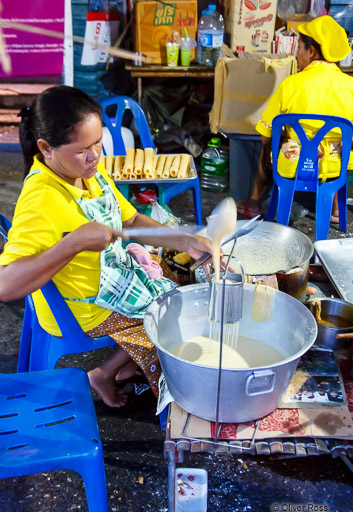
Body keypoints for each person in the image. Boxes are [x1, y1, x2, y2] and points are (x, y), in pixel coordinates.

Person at [0, 86, 215, 408]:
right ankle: (120, 371)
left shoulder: (87, 171)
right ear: (46, 148)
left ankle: (110, 371)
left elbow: (130, 222)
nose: (95, 156)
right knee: (181, 323)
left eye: (98, 143)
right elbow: (6, 286)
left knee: (185, 281)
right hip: (84, 306)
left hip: (113, 275)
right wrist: (72, 244)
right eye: (83, 149)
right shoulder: (42, 199)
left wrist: (187, 239)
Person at [237, 15, 353, 223]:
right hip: (338, 165)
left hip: (295, 164)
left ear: (312, 51)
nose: (297, 53)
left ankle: (254, 202)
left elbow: (265, 137)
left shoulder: (290, 85)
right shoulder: (350, 86)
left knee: (269, 145)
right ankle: (336, 210)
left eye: (299, 47)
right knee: (339, 146)